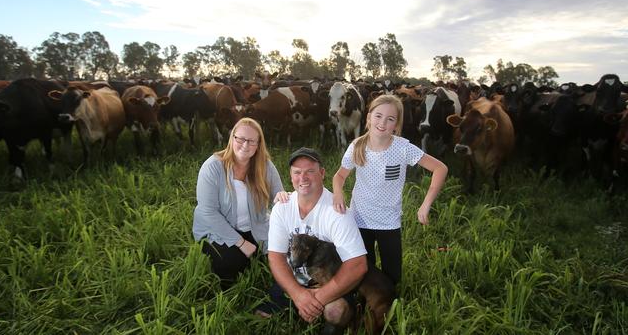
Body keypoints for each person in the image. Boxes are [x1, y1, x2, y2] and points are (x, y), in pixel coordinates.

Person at [332, 94, 448, 287]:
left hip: (389, 221)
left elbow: (440, 168)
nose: (382, 123)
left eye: (390, 119)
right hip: (360, 218)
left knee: (392, 277)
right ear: (368, 118)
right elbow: (339, 176)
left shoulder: (403, 148)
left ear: (397, 125)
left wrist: (426, 204)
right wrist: (338, 193)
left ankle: (389, 306)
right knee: (363, 272)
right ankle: (365, 304)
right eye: (378, 116)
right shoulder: (357, 146)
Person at [264, 147, 368, 330]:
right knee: (262, 317)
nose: (303, 178)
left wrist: (317, 299)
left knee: (336, 311)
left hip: (329, 282)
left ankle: (340, 314)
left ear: (322, 173)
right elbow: (276, 257)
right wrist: (298, 295)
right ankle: (298, 310)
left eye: (310, 171)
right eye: (297, 172)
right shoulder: (282, 208)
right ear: (291, 176)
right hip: (295, 281)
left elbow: (357, 265)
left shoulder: (337, 211)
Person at [192, 117, 284, 288]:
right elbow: (207, 212)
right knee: (232, 263)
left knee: (279, 256)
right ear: (232, 138)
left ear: (258, 145)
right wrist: (240, 242)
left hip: (255, 226)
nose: (245, 145)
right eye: (240, 138)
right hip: (217, 230)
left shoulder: (265, 166)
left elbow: (278, 194)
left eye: (251, 141)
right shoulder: (213, 167)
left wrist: (281, 198)